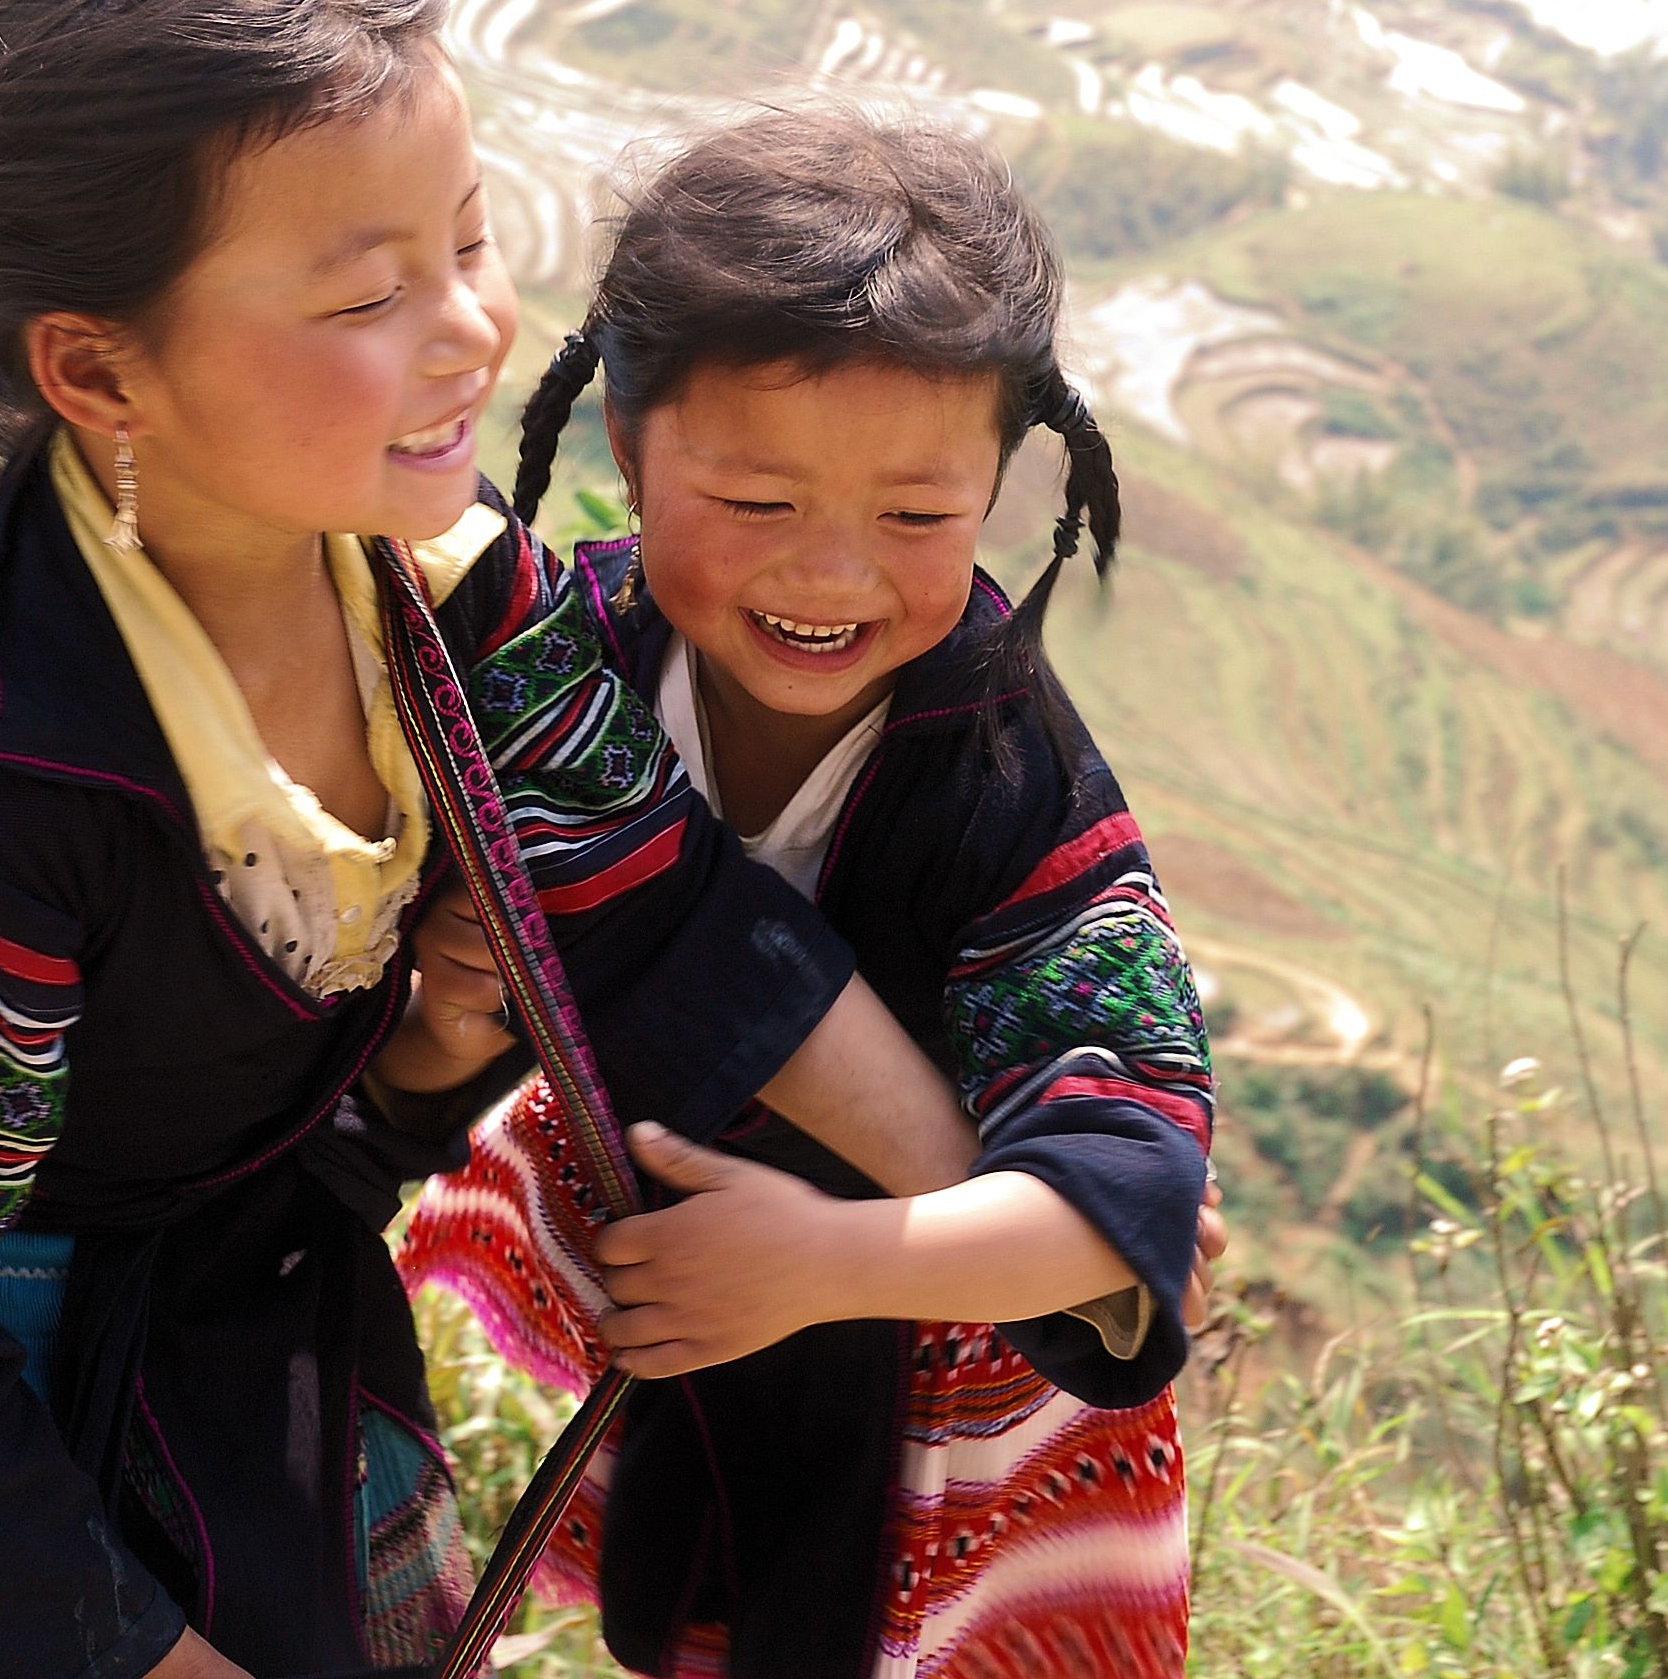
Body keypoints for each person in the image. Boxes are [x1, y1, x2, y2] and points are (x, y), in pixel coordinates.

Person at [0, 0, 983, 1679]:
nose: (470, 330)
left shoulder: (446, 584)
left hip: (255, 1339)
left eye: (469, 243)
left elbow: (657, 891)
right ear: (97, 367)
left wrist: (999, 1211)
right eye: (366, 295)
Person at [401, 105, 1218, 1679]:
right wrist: (450, 1014)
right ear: (628, 441)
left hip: (952, 1403)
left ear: (999, 482)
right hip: (712, 1316)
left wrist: (827, 1262)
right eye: (760, 504)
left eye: (916, 516)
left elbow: (1125, 1203)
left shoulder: (1008, 781)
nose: (832, 574)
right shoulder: (566, 668)